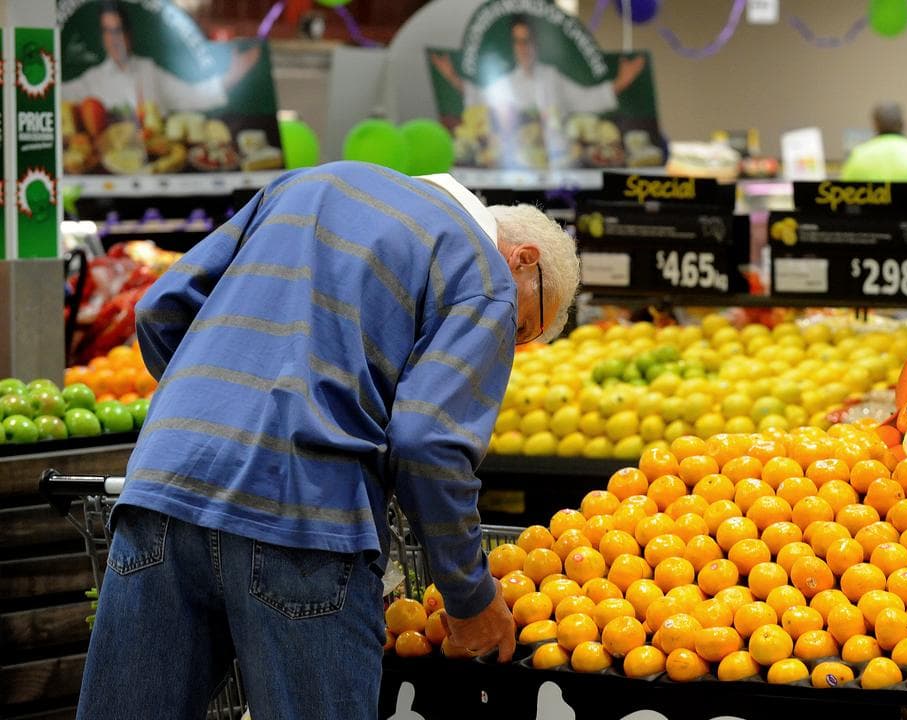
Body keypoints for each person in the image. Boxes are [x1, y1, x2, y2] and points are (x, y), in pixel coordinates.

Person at [76, 161, 580, 720]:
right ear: (523, 261)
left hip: (163, 485)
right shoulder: (486, 275)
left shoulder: (306, 183)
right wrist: (469, 597)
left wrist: (215, 416)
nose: (509, 340)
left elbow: (159, 308)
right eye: (523, 329)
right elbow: (427, 443)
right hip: (306, 518)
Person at [430, 15, 646, 152]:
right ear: (513, 46)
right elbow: (478, 97)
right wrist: (451, 77)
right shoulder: (506, 83)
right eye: (518, 41)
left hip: (560, 165)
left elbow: (588, 99)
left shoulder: (551, 77)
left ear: (536, 43)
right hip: (516, 166)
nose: (523, 48)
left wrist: (621, 82)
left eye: (527, 41)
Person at [62, 2, 262, 115]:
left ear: (129, 33)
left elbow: (194, 96)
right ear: (102, 37)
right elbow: (56, 95)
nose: (115, 40)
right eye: (109, 32)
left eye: (119, 30)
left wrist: (233, 75)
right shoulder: (91, 80)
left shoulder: (149, 70)